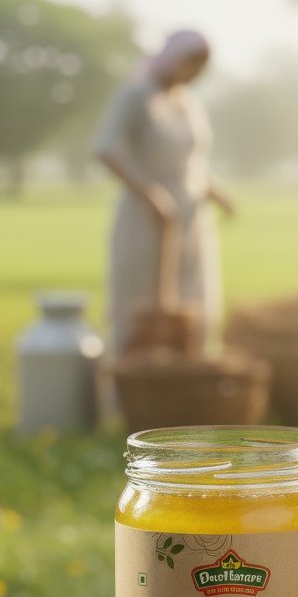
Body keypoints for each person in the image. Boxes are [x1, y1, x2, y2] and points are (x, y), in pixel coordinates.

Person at [95, 29, 234, 355]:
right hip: (146, 212)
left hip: (192, 213)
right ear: (175, 59)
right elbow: (106, 149)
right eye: (193, 63)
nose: (196, 73)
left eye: (202, 67)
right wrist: (150, 194)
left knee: (195, 296)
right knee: (139, 296)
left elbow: (192, 162)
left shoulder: (190, 102)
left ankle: (186, 379)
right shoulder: (136, 95)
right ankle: (131, 384)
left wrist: (216, 192)